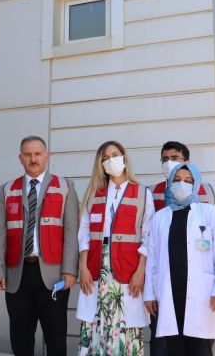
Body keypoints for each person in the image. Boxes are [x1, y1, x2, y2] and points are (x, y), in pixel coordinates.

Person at [0, 135, 79, 355]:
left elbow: (71, 232)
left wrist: (70, 270)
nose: (33, 159)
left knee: (56, 336)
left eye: (38, 154)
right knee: (20, 338)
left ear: (46, 156)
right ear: (20, 158)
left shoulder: (65, 186)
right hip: (17, 274)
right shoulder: (6, 189)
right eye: (28, 154)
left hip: (53, 275)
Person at [75, 140, 154, 355]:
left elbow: (148, 237)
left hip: (128, 270)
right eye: (106, 157)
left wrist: (141, 272)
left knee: (126, 326)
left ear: (124, 157)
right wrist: (83, 266)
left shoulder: (142, 193)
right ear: (100, 164)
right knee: (95, 325)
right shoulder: (94, 194)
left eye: (115, 154)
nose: (112, 160)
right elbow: (84, 235)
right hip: (97, 268)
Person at [144, 163, 215, 356]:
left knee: (200, 350)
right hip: (169, 293)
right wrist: (149, 293)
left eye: (188, 181)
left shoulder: (209, 213)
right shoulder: (160, 217)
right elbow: (152, 259)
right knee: (173, 349)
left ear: (196, 184)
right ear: (170, 183)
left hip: (203, 296)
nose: (182, 184)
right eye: (177, 179)